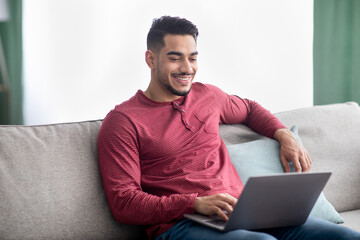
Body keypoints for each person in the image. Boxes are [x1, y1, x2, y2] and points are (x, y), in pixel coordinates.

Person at [97, 16, 360, 240]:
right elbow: (124, 203)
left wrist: (284, 134)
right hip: (181, 225)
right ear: (151, 59)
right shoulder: (123, 121)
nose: (187, 68)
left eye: (192, 58)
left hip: (245, 211)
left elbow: (250, 109)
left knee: (347, 236)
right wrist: (194, 203)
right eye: (175, 58)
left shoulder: (208, 96)